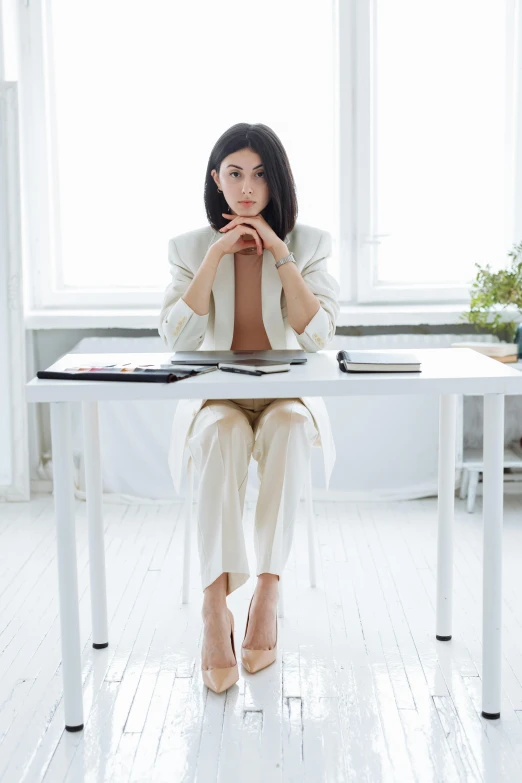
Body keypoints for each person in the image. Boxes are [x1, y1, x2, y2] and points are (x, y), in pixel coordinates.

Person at [158, 122, 340, 694]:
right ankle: (215, 607)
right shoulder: (188, 248)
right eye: (234, 173)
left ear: (276, 179)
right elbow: (176, 339)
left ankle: (267, 590)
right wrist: (215, 255)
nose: (246, 187)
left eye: (259, 174)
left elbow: (318, 337)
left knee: (287, 424)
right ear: (216, 178)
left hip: (284, 394)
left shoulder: (308, 244)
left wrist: (280, 252)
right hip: (218, 396)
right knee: (219, 434)